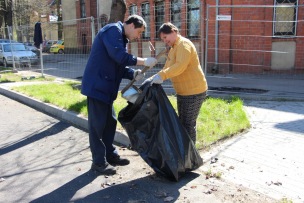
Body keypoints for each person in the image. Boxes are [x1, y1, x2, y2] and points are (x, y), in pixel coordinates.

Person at [81, 15, 158, 175]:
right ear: (130, 25)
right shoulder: (112, 31)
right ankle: (98, 163)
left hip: (106, 88)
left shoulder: (120, 37)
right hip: (97, 87)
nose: (138, 36)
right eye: (139, 32)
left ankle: (111, 155)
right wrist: (143, 61)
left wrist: (133, 74)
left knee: (110, 123)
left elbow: (118, 65)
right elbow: (119, 56)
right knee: (97, 127)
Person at [144, 22, 208, 144]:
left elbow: (180, 66)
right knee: (183, 122)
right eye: (162, 39)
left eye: (165, 37)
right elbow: (167, 67)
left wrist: (162, 76)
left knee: (188, 124)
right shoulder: (174, 48)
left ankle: (191, 156)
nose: (164, 41)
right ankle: (185, 153)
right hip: (184, 92)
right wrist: (152, 78)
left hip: (194, 91)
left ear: (173, 32)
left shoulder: (183, 45)